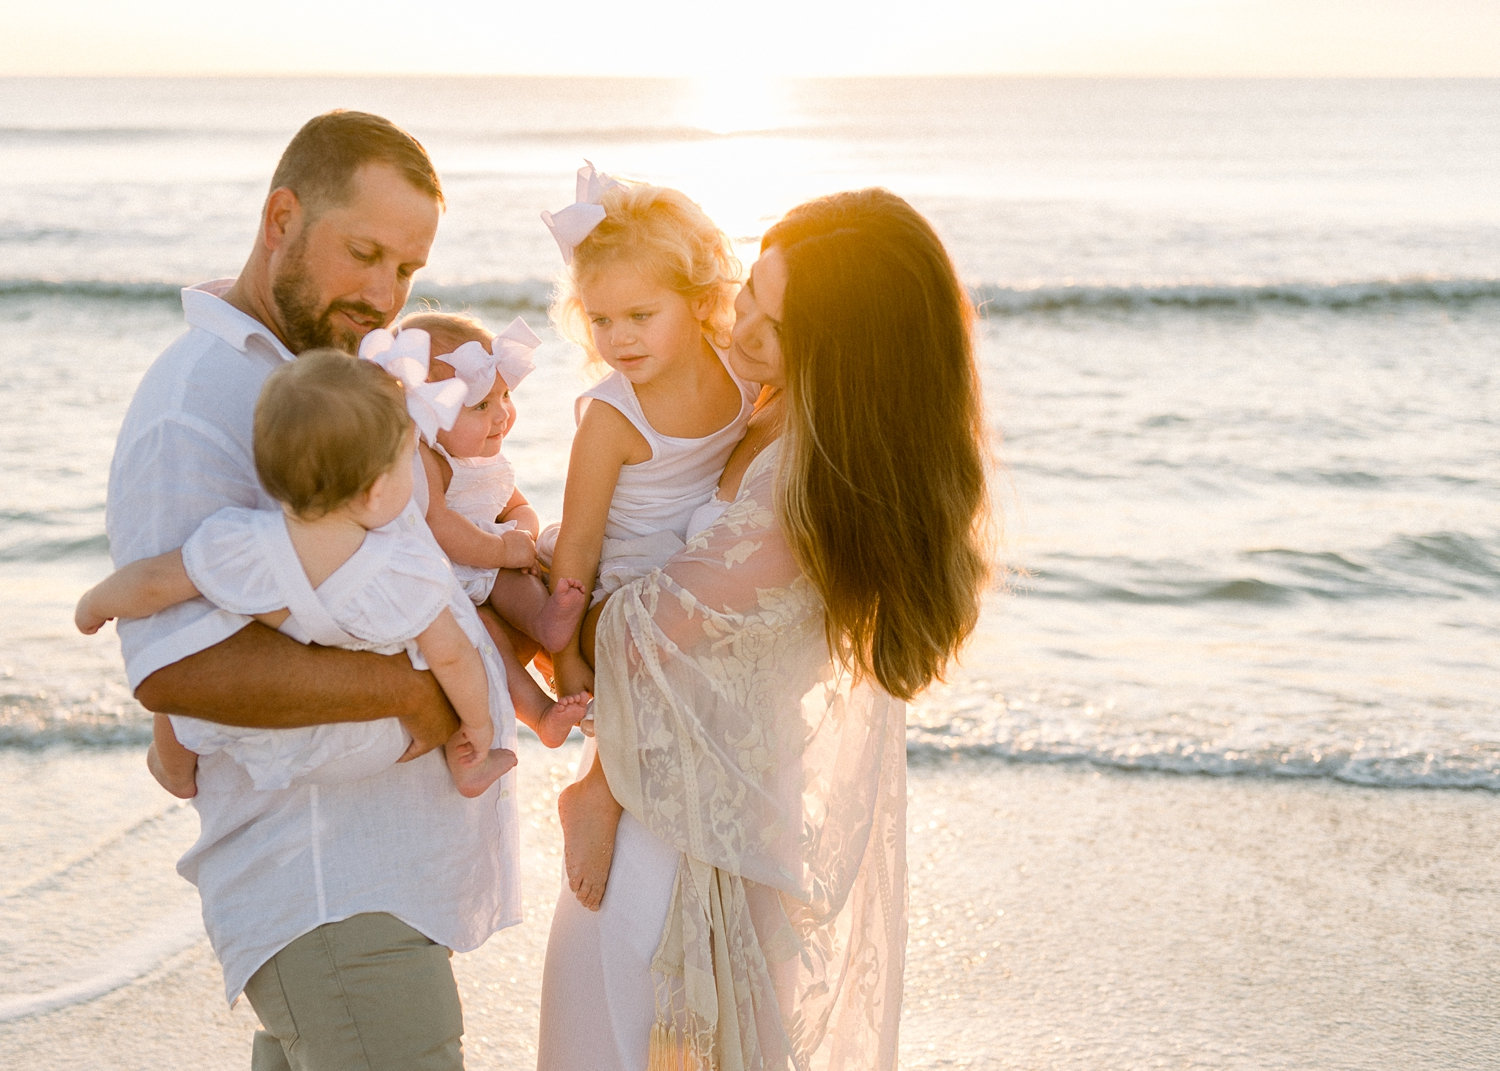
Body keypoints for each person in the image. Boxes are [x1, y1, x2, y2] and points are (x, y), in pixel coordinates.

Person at [536, 188, 993, 1071]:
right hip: (657, 804)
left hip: (696, 845)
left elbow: (634, 638)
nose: (741, 331)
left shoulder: (807, 485)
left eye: (773, 323)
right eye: (749, 291)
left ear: (846, 354)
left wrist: (523, 592)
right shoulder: (756, 403)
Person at [104, 109, 518, 1070]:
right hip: (329, 885)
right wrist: (415, 693)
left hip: (368, 886)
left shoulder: (322, 376)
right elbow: (176, 666)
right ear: (281, 217)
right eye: (364, 252)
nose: (384, 294)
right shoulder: (198, 403)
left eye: (407, 270)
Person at [77, 349, 520, 800]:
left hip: (254, 733)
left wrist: (94, 604)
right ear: (375, 491)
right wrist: (479, 728)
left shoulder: (237, 542)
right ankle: (469, 770)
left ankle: (172, 769)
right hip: (362, 744)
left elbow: (152, 584)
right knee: (455, 639)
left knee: (181, 706)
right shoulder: (404, 570)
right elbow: (453, 658)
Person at [540, 162, 756, 711]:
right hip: (629, 580)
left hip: (706, 561)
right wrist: (565, 659)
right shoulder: (612, 419)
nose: (620, 339)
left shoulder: (741, 370)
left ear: (702, 301)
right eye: (602, 320)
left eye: (640, 314)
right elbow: (579, 545)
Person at [382, 310, 591, 745]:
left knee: (516, 579)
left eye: (504, 397)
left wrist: (522, 537)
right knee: (488, 635)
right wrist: (503, 550)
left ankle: (546, 623)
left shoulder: (485, 461)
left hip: (489, 565)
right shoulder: (426, 459)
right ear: (425, 413)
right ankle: (538, 715)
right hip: (447, 581)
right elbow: (440, 525)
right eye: (481, 405)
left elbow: (520, 507)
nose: (502, 416)